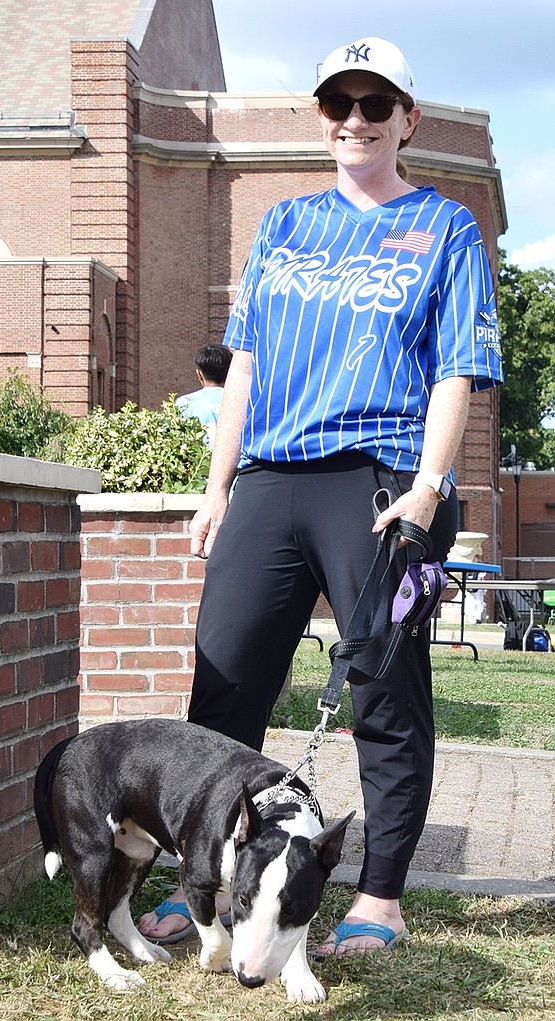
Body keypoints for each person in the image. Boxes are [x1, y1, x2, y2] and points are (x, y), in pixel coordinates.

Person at [139, 35, 503, 955]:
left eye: (374, 104)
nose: (354, 119)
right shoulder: (285, 224)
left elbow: (458, 369)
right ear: (322, 118)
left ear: (406, 120)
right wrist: (218, 487)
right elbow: (247, 365)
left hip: (379, 482)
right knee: (223, 686)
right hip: (270, 477)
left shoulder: (446, 228)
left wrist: (426, 490)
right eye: (338, 104)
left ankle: (378, 897)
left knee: (382, 690)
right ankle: (203, 885)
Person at [175, 344, 232, 449]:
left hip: (197, 463)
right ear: (229, 374)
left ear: (199, 374)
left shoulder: (183, 403)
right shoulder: (240, 402)